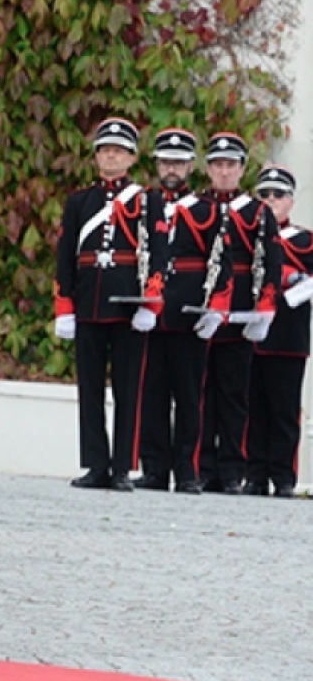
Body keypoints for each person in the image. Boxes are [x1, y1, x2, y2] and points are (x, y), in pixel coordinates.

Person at [53, 118, 166, 491]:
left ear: (132, 158)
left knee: (128, 389)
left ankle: (122, 467)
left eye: (118, 151)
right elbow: (65, 256)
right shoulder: (79, 202)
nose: (110, 157)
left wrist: (150, 306)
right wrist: (65, 306)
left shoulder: (148, 202)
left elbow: (159, 256)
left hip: (128, 306)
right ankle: (95, 465)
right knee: (89, 388)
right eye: (104, 150)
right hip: (88, 303)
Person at [194, 132, 280, 493]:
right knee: (200, 391)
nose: (224, 171)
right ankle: (203, 467)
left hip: (240, 309)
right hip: (201, 309)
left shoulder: (258, 212)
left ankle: (232, 469)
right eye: (217, 165)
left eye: (230, 165)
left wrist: (265, 308)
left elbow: (269, 260)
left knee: (233, 394)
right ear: (209, 169)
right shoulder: (196, 206)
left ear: (242, 169)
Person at [133, 128, 206, 493]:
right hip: (151, 312)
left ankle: (188, 472)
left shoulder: (206, 209)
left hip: (189, 311)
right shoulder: (143, 205)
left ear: (191, 165)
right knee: (152, 394)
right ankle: (155, 469)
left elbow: (217, 260)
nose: (172, 168)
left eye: (178, 162)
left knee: (190, 396)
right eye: (166, 162)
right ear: (156, 164)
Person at [245, 165, 309, 497]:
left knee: (283, 410)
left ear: (290, 201)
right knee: (252, 408)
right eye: (264, 195)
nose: (271, 201)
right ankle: (254, 474)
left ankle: (283, 476)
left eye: (278, 195)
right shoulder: (246, 235)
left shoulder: (304, 240)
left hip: (287, 336)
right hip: (250, 334)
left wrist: (294, 284)